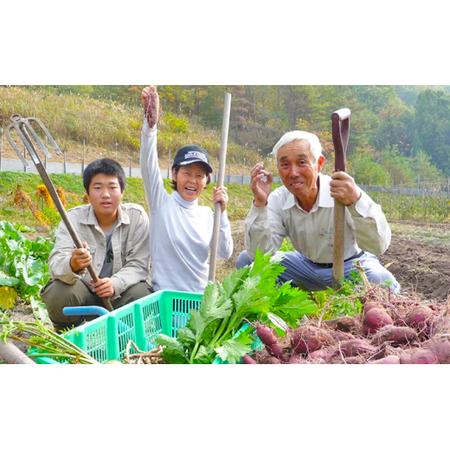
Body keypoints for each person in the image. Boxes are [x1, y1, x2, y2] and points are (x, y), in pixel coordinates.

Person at [238, 130, 400, 293]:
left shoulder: (342, 191)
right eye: (285, 165)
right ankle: (279, 312)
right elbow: (260, 253)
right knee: (247, 261)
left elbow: (378, 245)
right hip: (304, 267)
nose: (293, 173)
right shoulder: (278, 199)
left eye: (302, 162)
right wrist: (260, 203)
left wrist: (355, 200)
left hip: (349, 266)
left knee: (382, 282)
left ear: (319, 163)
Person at [139, 85, 233, 293]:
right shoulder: (161, 204)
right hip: (164, 298)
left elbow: (225, 252)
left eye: (199, 175)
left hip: (199, 301)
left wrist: (223, 213)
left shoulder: (208, 215)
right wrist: (150, 128)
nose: (193, 180)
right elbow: (148, 165)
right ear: (174, 174)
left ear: (207, 180)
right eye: (187, 173)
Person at [42, 158, 152, 330]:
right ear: (87, 192)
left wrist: (114, 284)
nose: (106, 194)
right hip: (84, 294)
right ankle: (69, 333)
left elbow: (139, 264)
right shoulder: (73, 219)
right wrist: (73, 264)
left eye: (112, 187)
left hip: (119, 296)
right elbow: (56, 262)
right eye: (98, 187)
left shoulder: (136, 217)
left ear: (122, 191)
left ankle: (126, 334)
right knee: (58, 292)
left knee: (142, 293)